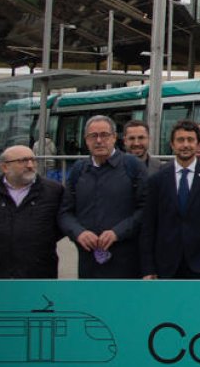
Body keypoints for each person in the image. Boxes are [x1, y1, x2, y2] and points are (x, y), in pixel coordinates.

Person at [59, 115, 147, 279]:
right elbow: (65, 212)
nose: (99, 140)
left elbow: (145, 209)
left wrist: (117, 232)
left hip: (125, 261)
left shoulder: (133, 166)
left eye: (104, 135)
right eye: (93, 136)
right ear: (86, 140)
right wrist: (79, 233)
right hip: (88, 260)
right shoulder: (79, 170)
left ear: (114, 137)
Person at [141, 120, 200, 279]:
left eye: (190, 140)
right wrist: (149, 268)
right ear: (172, 145)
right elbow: (149, 226)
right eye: (180, 140)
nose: (186, 145)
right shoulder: (157, 179)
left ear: (198, 144)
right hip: (166, 266)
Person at [0, 145, 64, 279]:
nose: (30, 165)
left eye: (33, 160)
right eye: (23, 161)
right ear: (5, 167)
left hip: (39, 273)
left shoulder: (54, 192)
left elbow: (60, 228)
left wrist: (34, 241)